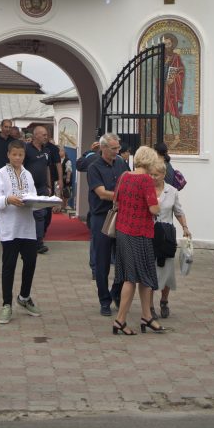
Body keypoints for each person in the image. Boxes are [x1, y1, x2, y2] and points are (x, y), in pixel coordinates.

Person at [0, 137, 42, 324]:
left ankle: (24, 297)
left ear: (24, 155)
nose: (18, 158)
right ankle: (6, 304)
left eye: (20, 155)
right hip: (10, 227)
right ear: (8, 155)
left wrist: (40, 202)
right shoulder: (1, 174)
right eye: (14, 154)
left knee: (31, 261)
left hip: (27, 227)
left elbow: (33, 196)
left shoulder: (28, 174)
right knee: (9, 266)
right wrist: (8, 199)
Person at [112, 145, 162, 336]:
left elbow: (116, 200)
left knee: (144, 277)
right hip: (139, 233)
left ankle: (146, 316)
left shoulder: (124, 176)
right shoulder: (146, 180)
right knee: (132, 279)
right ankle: (120, 320)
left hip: (123, 231)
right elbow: (153, 209)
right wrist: (158, 203)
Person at [86, 133, 129, 316]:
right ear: (103, 148)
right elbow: (102, 193)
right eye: (113, 148)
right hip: (102, 217)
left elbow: (130, 182)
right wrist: (125, 196)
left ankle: (116, 293)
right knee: (102, 261)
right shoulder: (94, 167)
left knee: (124, 259)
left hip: (121, 215)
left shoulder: (121, 163)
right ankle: (104, 300)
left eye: (118, 148)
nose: (117, 151)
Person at [151, 159, 191, 319]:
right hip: (149, 234)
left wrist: (185, 227)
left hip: (166, 235)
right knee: (150, 270)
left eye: (156, 175)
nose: (153, 177)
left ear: (163, 174)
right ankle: (149, 306)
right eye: (151, 174)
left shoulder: (172, 191)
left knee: (167, 270)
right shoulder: (146, 189)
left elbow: (179, 212)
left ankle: (164, 301)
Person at [24, 124, 53, 254]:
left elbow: (47, 168)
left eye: (47, 135)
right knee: (35, 215)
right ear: (36, 135)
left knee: (42, 214)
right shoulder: (26, 149)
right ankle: (34, 242)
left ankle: (38, 242)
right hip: (29, 188)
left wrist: (49, 185)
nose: (46, 137)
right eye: (44, 135)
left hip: (42, 188)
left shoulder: (46, 151)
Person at [162, 34, 185, 150]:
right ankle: (163, 137)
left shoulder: (176, 57)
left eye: (169, 44)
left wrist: (174, 78)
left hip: (173, 90)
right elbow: (156, 72)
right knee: (164, 110)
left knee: (173, 110)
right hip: (163, 89)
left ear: (173, 44)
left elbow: (181, 71)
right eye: (165, 44)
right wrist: (165, 64)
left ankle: (176, 137)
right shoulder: (161, 57)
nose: (167, 46)